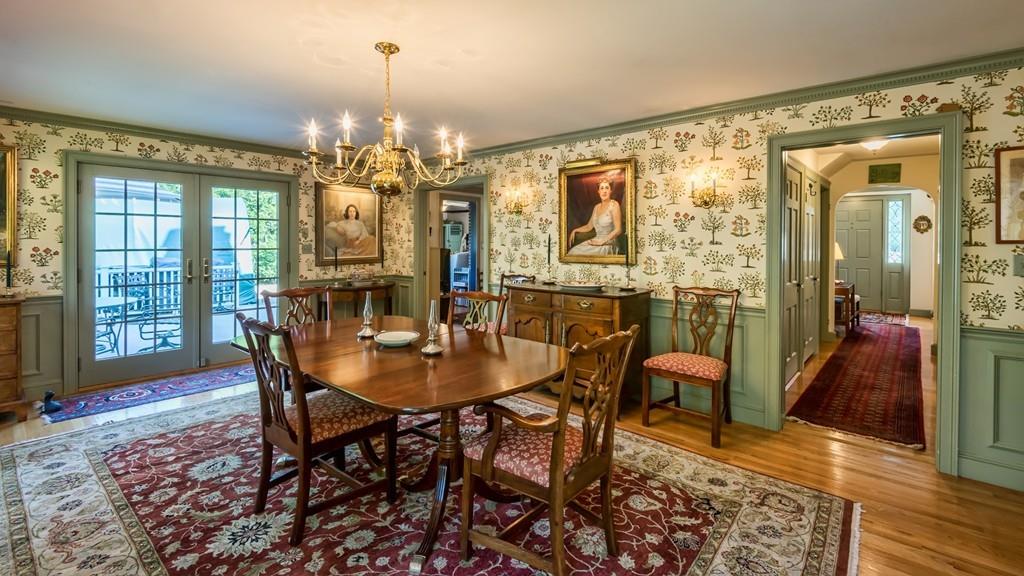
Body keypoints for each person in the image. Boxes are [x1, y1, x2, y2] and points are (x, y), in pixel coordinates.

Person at [567, 178, 622, 255]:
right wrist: (575, 230)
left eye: (607, 188)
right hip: (596, 240)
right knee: (573, 251)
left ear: (610, 191)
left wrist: (601, 242)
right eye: (602, 188)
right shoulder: (596, 207)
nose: (604, 191)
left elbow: (618, 230)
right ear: (598, 192)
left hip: (608, 243)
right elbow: (589, 226)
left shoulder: (614, 205)